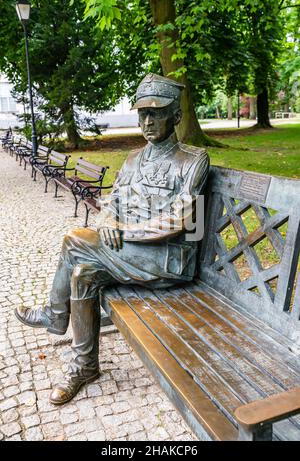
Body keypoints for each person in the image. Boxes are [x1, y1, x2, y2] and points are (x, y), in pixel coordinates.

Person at [15, 74, 209, 405]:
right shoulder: (133, 159)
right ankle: (84, 366)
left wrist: (122, 232)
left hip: (169, 261)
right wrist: (107, 220)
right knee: (83, 274)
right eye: (142, 114)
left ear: (176, 116)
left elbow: (184, 219)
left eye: (157, 113)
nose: (147, 121)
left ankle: (53, 314)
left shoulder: (193, 161)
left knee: (75, 240)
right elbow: (112, 202)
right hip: (132, 256)